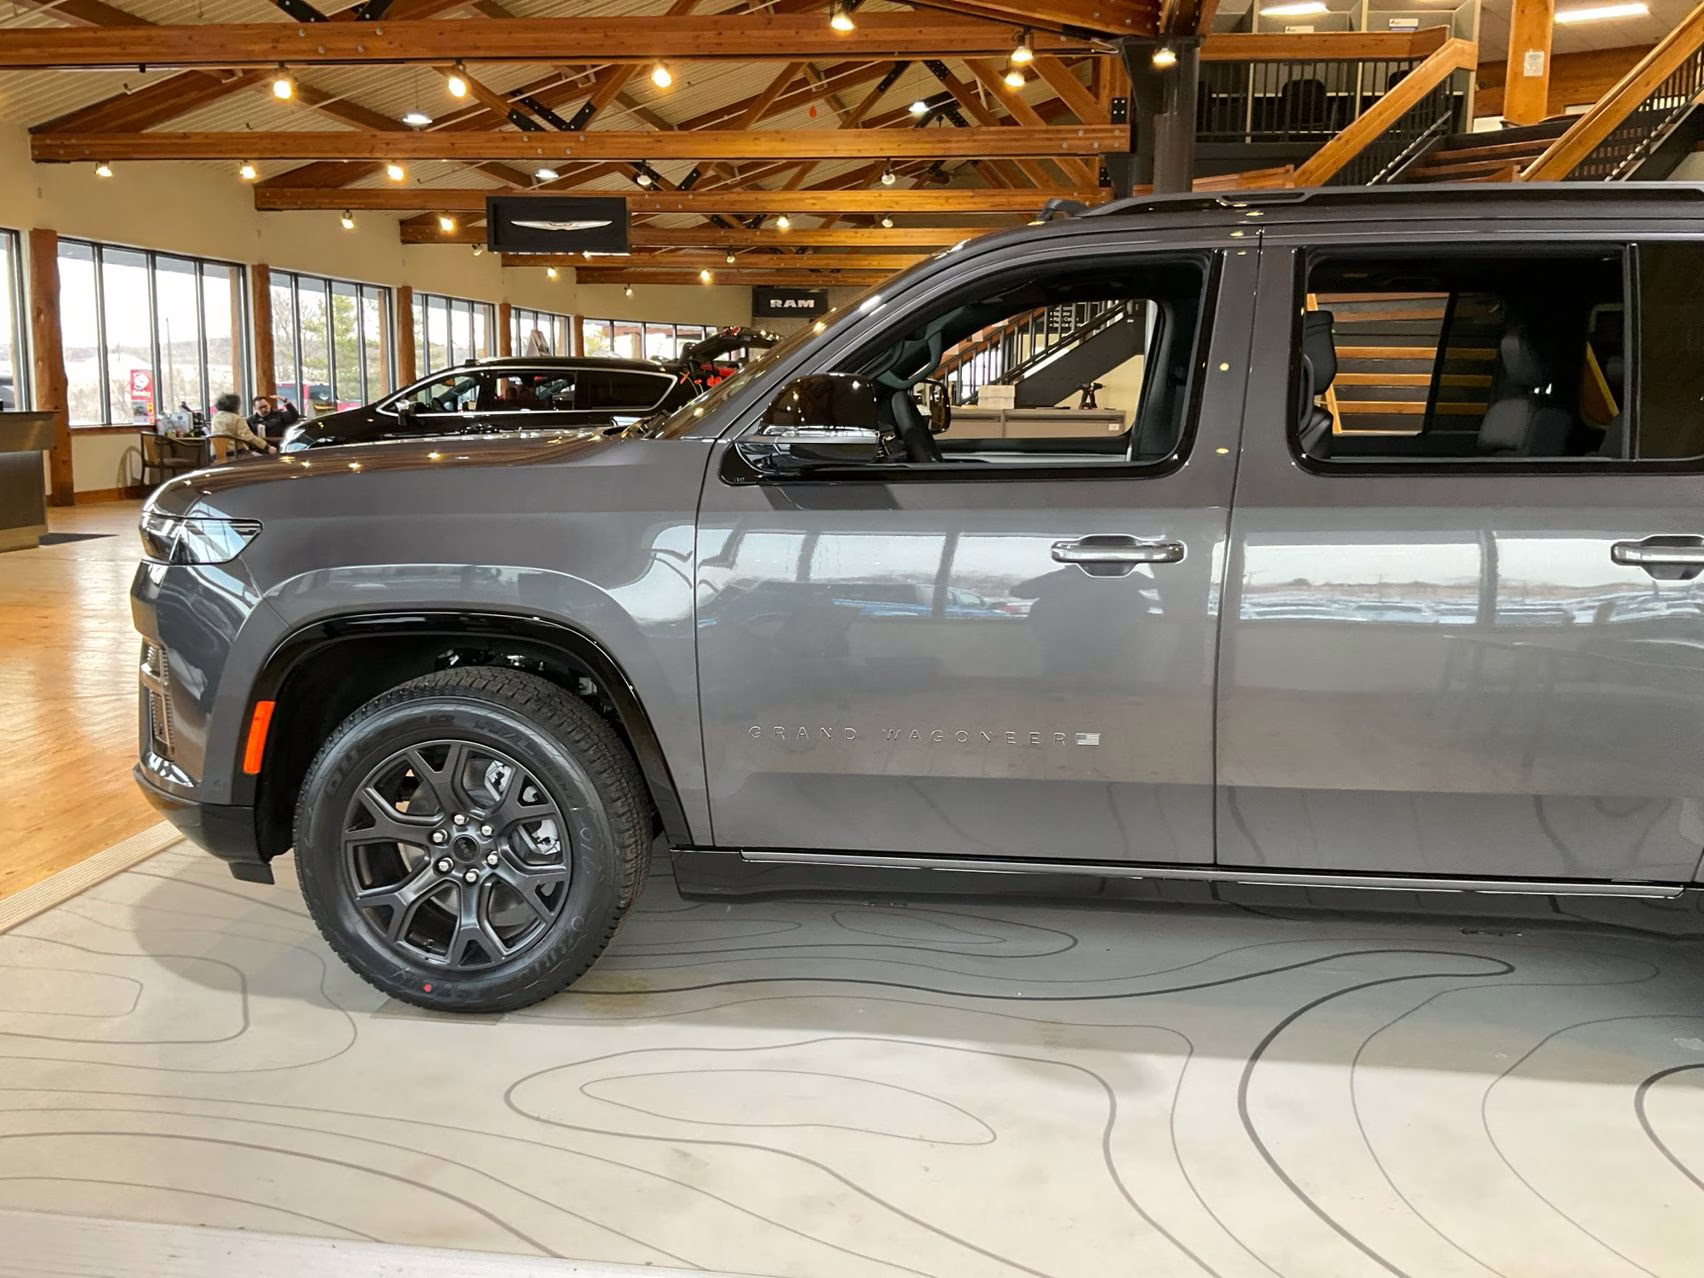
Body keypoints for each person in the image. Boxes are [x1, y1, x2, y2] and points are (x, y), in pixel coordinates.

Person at [211, 393, 275, 459]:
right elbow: (248, 436)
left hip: (217, 456)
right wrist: (267, 447)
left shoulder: (215, 418)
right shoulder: (236, 418)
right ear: (234, 405)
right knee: (264, 460)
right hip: (235, 454)